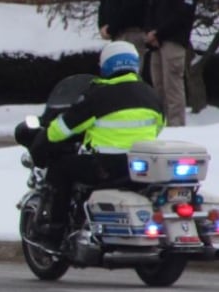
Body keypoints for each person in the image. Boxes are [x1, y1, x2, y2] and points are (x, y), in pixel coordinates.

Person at [32, 40, 164, 239]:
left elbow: (63, 128)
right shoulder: (151, 95)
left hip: (106, 168)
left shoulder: (99, 95)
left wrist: (44, 138)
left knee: (61, 168)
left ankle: (55, 229)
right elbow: (159, 126)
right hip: (141, 167)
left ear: (107, 65)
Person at [143, 0, 198, 127]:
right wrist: (151, 32)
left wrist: (159, 33)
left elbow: (181, 16)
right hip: (156, 43)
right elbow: (152, 9)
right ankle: (161, 123)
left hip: (174, 42)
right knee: (157, 86)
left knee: (172, 87)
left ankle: (176, 126)